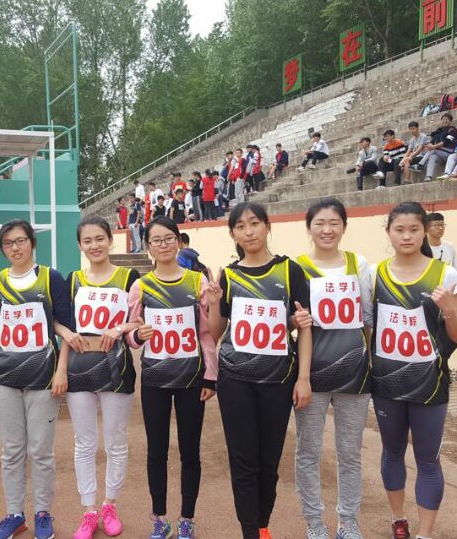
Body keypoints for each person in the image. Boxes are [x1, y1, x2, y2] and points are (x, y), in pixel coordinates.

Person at [211, 202, 312, 539]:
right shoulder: (228, 275)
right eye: (240, 226)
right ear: (233, 234)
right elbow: (215, 332)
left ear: (268, 226)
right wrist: (213, 302)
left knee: (269, 461)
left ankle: (262, 524)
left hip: (277, 378)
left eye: (254, 223)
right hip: (235, 379)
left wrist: (303, 378)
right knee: (243, 460)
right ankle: (250, 532)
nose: (249, 231)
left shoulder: (289, 270)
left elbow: (303, 326)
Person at [370, 202, 457, 539]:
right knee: (392, 452)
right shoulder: (375, 274)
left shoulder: (445, 274)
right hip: (386, 383)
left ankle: (425, 533)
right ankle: (398, 520)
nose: (407, 236)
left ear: (425, 231)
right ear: (389, 233)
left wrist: (449, 309)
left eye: (414, 229)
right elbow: (368, 328)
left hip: (430, 384)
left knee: (427, 459)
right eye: (399, 230)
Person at [0, 219, 73, 539]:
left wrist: (61, 369)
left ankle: (43, 512)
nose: (15, 248)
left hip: (43, 377)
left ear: (32, 242)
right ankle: (14, 514)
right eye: (8, 243)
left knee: (41, 451)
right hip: (5, 378)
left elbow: (65, 326)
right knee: (12, 451)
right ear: (2, 248)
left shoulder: (50, 278)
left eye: (20, 241)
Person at [122, 216, 218, 539]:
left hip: (191, 379)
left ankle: (187, 518)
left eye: (168, 239)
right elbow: (130, 333)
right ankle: (159, 519)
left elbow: (206, 333)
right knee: (156, 451)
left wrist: (211, 376)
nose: (163, 245)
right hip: (155, 380)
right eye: (156, 240)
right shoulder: (141, 286)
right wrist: (138, 336)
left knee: (190, 452)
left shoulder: (197, 282)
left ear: (179, 241)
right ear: (148, 247)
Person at [292, 199, 374, 539]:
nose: (327, 230)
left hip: (355, 375)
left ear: (344, 227)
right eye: (320, 223)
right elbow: (294, 324)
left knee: (349, 453)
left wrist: (369, 360)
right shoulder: (296, 268)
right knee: (308, 451)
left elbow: (367, 319)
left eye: (334, 223)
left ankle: (348, 521)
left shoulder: (358, 264)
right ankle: (315, 523)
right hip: (312, 375)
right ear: (309, 228)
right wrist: (302, 377)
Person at [58, 217, 141, 539]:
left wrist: (120, 328)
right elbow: (63, 326)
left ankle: (110, 505)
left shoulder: (129, 278)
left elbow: (140, 322)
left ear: (110, 240)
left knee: (115, 442)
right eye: (87, 240)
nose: (94, 245)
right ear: (80, 245)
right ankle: (89, 510)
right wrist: (61, 368)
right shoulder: (73, 280)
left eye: (99, 238)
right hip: (79, 369)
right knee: (84, 443)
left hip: (116, 369)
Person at [426, 214, 457, 286]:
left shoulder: (450, 247)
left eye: (442, 225)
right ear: (427, 228)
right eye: (436, 225)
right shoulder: (421, 248)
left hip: (448, 290)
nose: (441, 228)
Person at [421, 114, 457, 182]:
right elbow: (432, 141)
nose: (445, 121)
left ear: (450, 121)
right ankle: (429, 176)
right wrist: (429, 146)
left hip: (450, 152)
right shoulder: (439, 131)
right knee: (432, 156)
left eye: (447, 119)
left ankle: (420, 164)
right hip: (441, 153)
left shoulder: (453, 130)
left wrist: (433, 147)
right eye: (443, 119)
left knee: (433, 150)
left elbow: (446, 141)